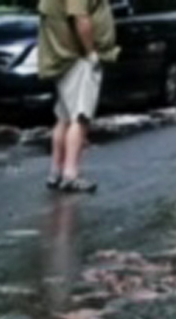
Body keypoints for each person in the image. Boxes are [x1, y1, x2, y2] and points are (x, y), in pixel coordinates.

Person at [38, 0, 118, 194]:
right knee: (80, 117)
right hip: (77, 59)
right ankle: (70, 174)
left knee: (64, 118)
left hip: (63, 57)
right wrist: (91, 53)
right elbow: (80, 17)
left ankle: (56, 171)